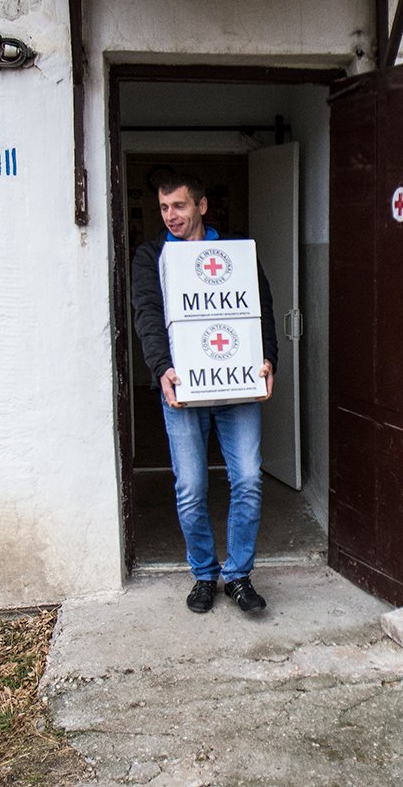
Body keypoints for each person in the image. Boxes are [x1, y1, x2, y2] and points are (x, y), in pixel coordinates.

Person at [130, 173, 279, 614]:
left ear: (202, 206)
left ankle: (238, 576)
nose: (170, 216)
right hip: (184, 387)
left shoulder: (235, 252)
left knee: (249, 479)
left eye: (178, 206)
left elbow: (260, 310)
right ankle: (203, 574)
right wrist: (162, 369)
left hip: (237, 388)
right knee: (191, 487)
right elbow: (148, 314)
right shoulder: (151, 255)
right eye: (163, 208)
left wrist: (268, 358)